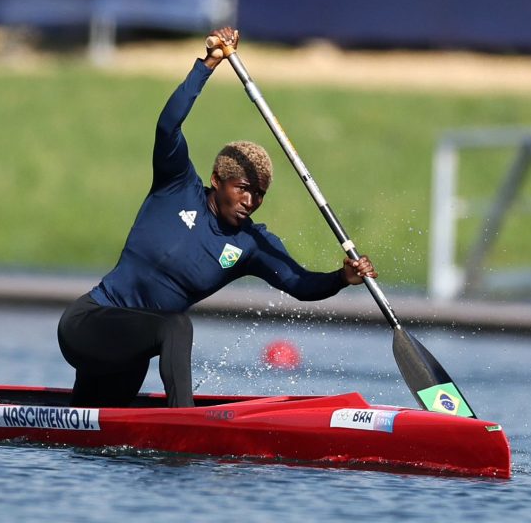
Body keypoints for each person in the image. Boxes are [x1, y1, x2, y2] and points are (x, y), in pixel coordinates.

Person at [57, 27, 376, 409]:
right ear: (216, 181)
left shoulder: (251, 245)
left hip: (130, 353)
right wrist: (208, 63)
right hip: (88, 323)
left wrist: (342, 278)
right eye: (243, 188)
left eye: (259, 194)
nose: (251, 200)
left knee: (88, 425)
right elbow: (167, 125)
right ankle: (184, 421)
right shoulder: (176, 185)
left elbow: (299, 283)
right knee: (176, 325)